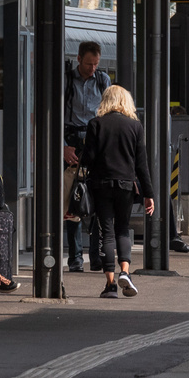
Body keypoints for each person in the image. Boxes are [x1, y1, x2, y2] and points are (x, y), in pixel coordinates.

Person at [81, 85, 154, 300]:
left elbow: (88, 159)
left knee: (106, 231)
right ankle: (126, 272)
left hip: (101, 185)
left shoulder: (95, 124)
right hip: (126, 186)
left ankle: (110, 284)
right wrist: (149, 193)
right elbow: (142, 165)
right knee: (123, 229)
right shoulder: (135, 126)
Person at [62, 41, 111, 273]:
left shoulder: (103, 81)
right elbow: (54, 114)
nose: (93, 68)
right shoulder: (67, 81)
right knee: (73, 202)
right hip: (72, 141)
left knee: (98, 198)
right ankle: (75, 258)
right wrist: (63, 146)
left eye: (96, 64)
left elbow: (110, 114)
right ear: (79, 58)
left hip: (95, 142)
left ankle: (97, 256)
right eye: (89, 63)